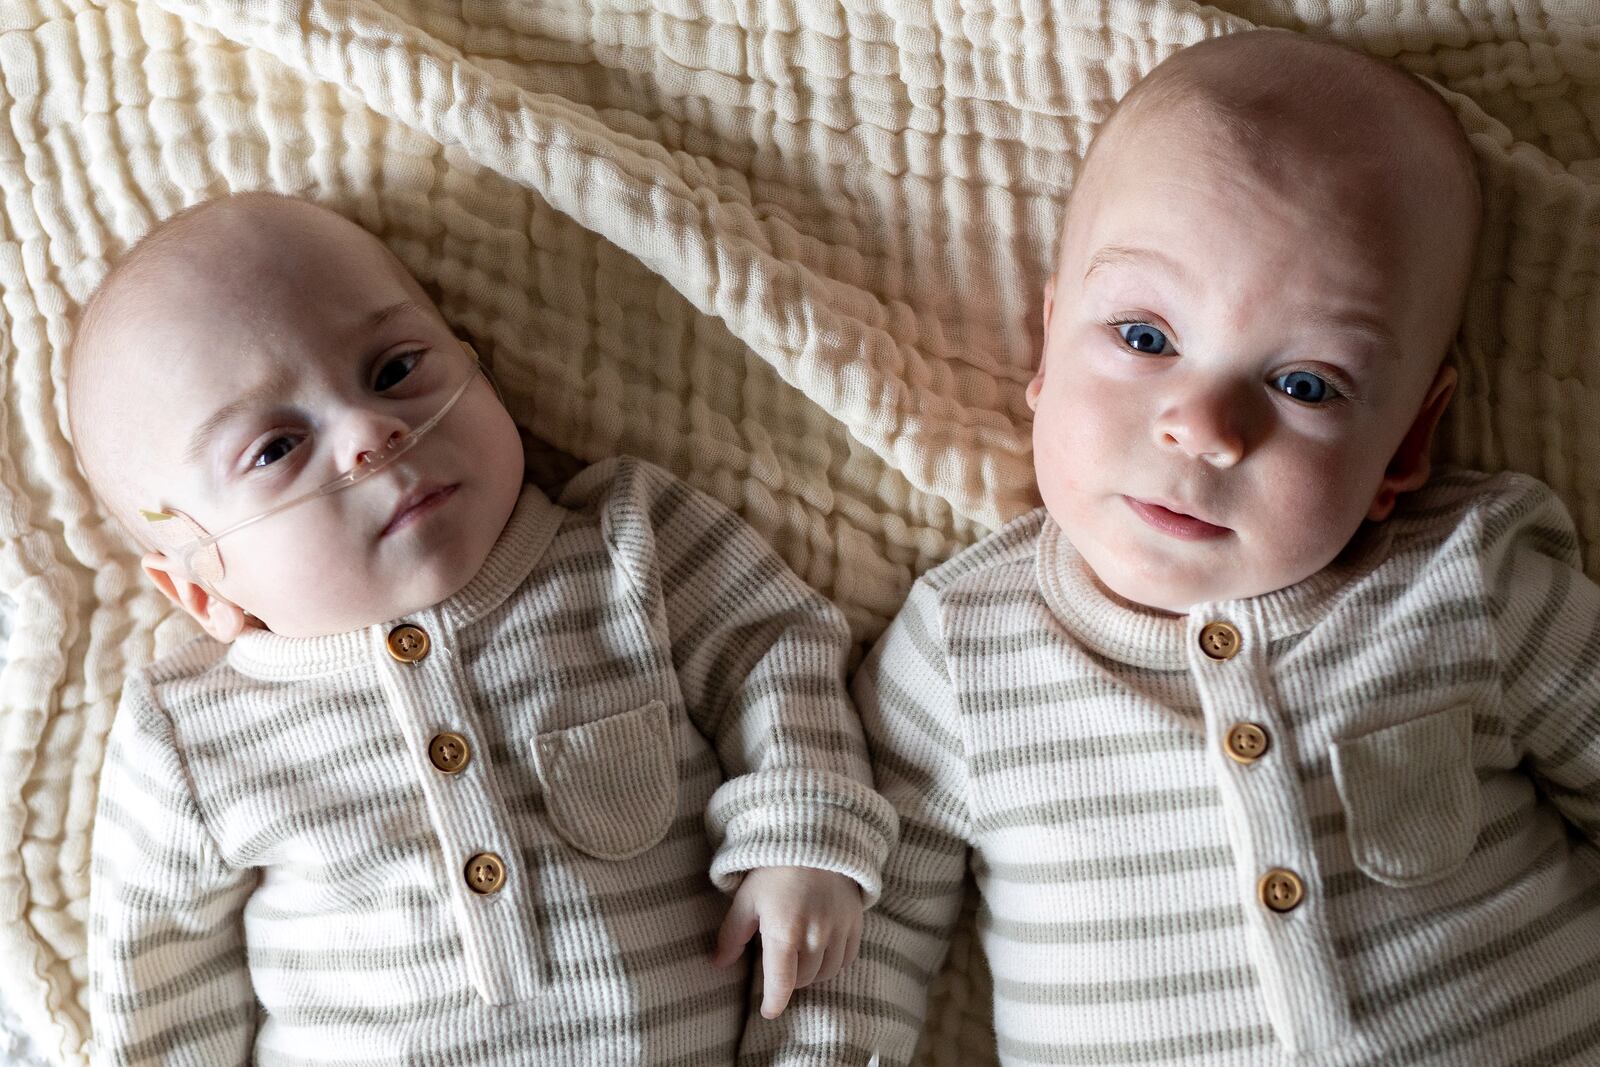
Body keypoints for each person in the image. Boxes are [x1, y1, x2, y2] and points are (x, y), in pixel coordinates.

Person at [745, 28, 1600, 1066]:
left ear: (1408, 442)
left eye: (1305, 384)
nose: (1203, 427)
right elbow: (862, 936)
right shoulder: (965, 652)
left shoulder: (1470, 585)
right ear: (1047, 347)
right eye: (1145, 338)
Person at [71, 190, 896, 1065]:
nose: (371, 432)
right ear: (198, 589)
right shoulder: (190, 733)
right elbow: (156, 976)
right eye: (276, 448)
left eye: (394, 369)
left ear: (478, 364)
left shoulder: (628, 548)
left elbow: (774, 650)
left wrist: (802, 841)